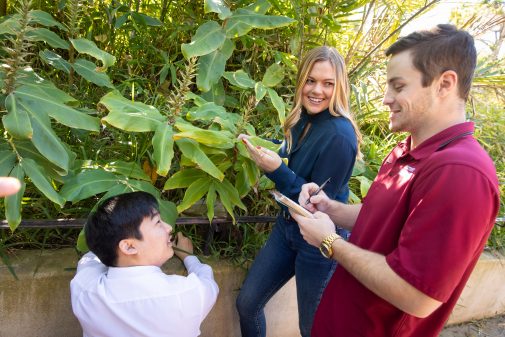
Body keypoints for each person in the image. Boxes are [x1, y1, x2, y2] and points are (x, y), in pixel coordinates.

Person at [291, 24, 500, 337]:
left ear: (445, 84)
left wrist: (330, 241)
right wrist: (331, 208)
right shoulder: (408, 147)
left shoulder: (461, 172)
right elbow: (383, 217)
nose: (386, 98)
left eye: (398, 86)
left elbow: (417, 296)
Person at [236, 46, 361, 337]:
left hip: (319, 240)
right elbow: (292, 156)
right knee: (247, 303)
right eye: (311, 81)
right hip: (287, 228)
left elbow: (315, 205)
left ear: (339, 86)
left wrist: (276, 170)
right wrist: (259, 146)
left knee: (312, 328)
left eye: (328, 83)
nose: (317, 90)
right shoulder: (303, 117)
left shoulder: (339, 137)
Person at [70, 191, 219, 337]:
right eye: (158, 222)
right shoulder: (185, 294)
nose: (169, 228)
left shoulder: (85, 291)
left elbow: (90, 259)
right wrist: (188, 257)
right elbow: (207, 281)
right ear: (129, 246)